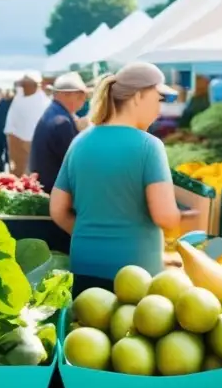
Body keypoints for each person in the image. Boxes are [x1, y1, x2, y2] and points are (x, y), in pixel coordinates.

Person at [50, 62, 182, 290]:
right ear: (138, 96)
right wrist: (183, 217)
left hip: (84, 267)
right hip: (135, 276)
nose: (159, 110)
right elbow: (165, 217)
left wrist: (93, 236)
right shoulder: (149, 146)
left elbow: (57, 210)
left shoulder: (79, 142)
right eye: (158, 99)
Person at [29, 72, 87, 193]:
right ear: (66, 94)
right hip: (54, 192)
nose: (84, 100)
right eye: (80, 95)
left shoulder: (55, 113)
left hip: (46, 187)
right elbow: (76, 163)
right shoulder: (61, 122)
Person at [4, 72, 49, 177]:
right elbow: (10, 124)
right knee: (18, 175)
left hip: (37, 145)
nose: (25, 87)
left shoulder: (44, 103)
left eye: (27, 84)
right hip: (17, 145)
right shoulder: (18, 101)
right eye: (23, 85)